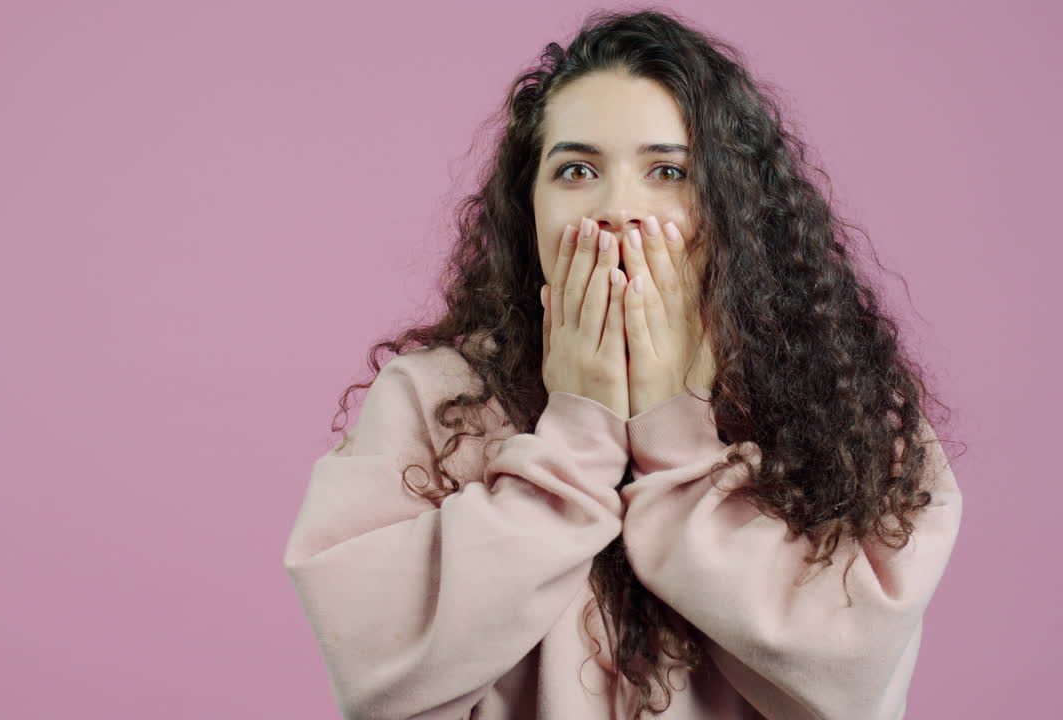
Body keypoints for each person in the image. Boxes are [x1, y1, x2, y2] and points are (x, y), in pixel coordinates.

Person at [282, 8, 964, 720]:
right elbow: (379, 680)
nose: (618, 209)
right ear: (529, 205)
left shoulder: (849, 404)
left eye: (668, 171)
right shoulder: (429, 400)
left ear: (732, 205)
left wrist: (674, 428)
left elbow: (851, 686)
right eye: (576, 170)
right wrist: (579, 431)